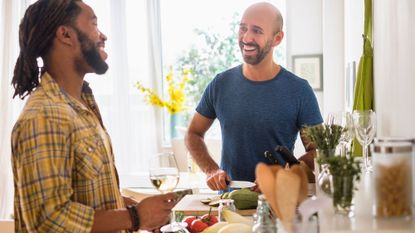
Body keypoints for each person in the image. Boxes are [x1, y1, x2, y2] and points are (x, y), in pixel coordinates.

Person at [10, 0, 175, 232]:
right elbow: (49, 220)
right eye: (94, 24)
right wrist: (135, 218)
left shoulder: (80, 105)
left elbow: (87, 196)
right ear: (66, 35)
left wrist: (130, 209)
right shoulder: (45, 116)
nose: (103, 35)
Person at [185, 2, 323, 191]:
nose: (246, 37)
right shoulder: (220, 84)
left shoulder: (299, 90)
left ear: (277, 38)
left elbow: (318, 150)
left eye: (257, 31)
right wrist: (211, 170)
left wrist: (285, 173)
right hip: (228, 202)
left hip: (278, 201)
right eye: (243, 28)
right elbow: (193, 134)